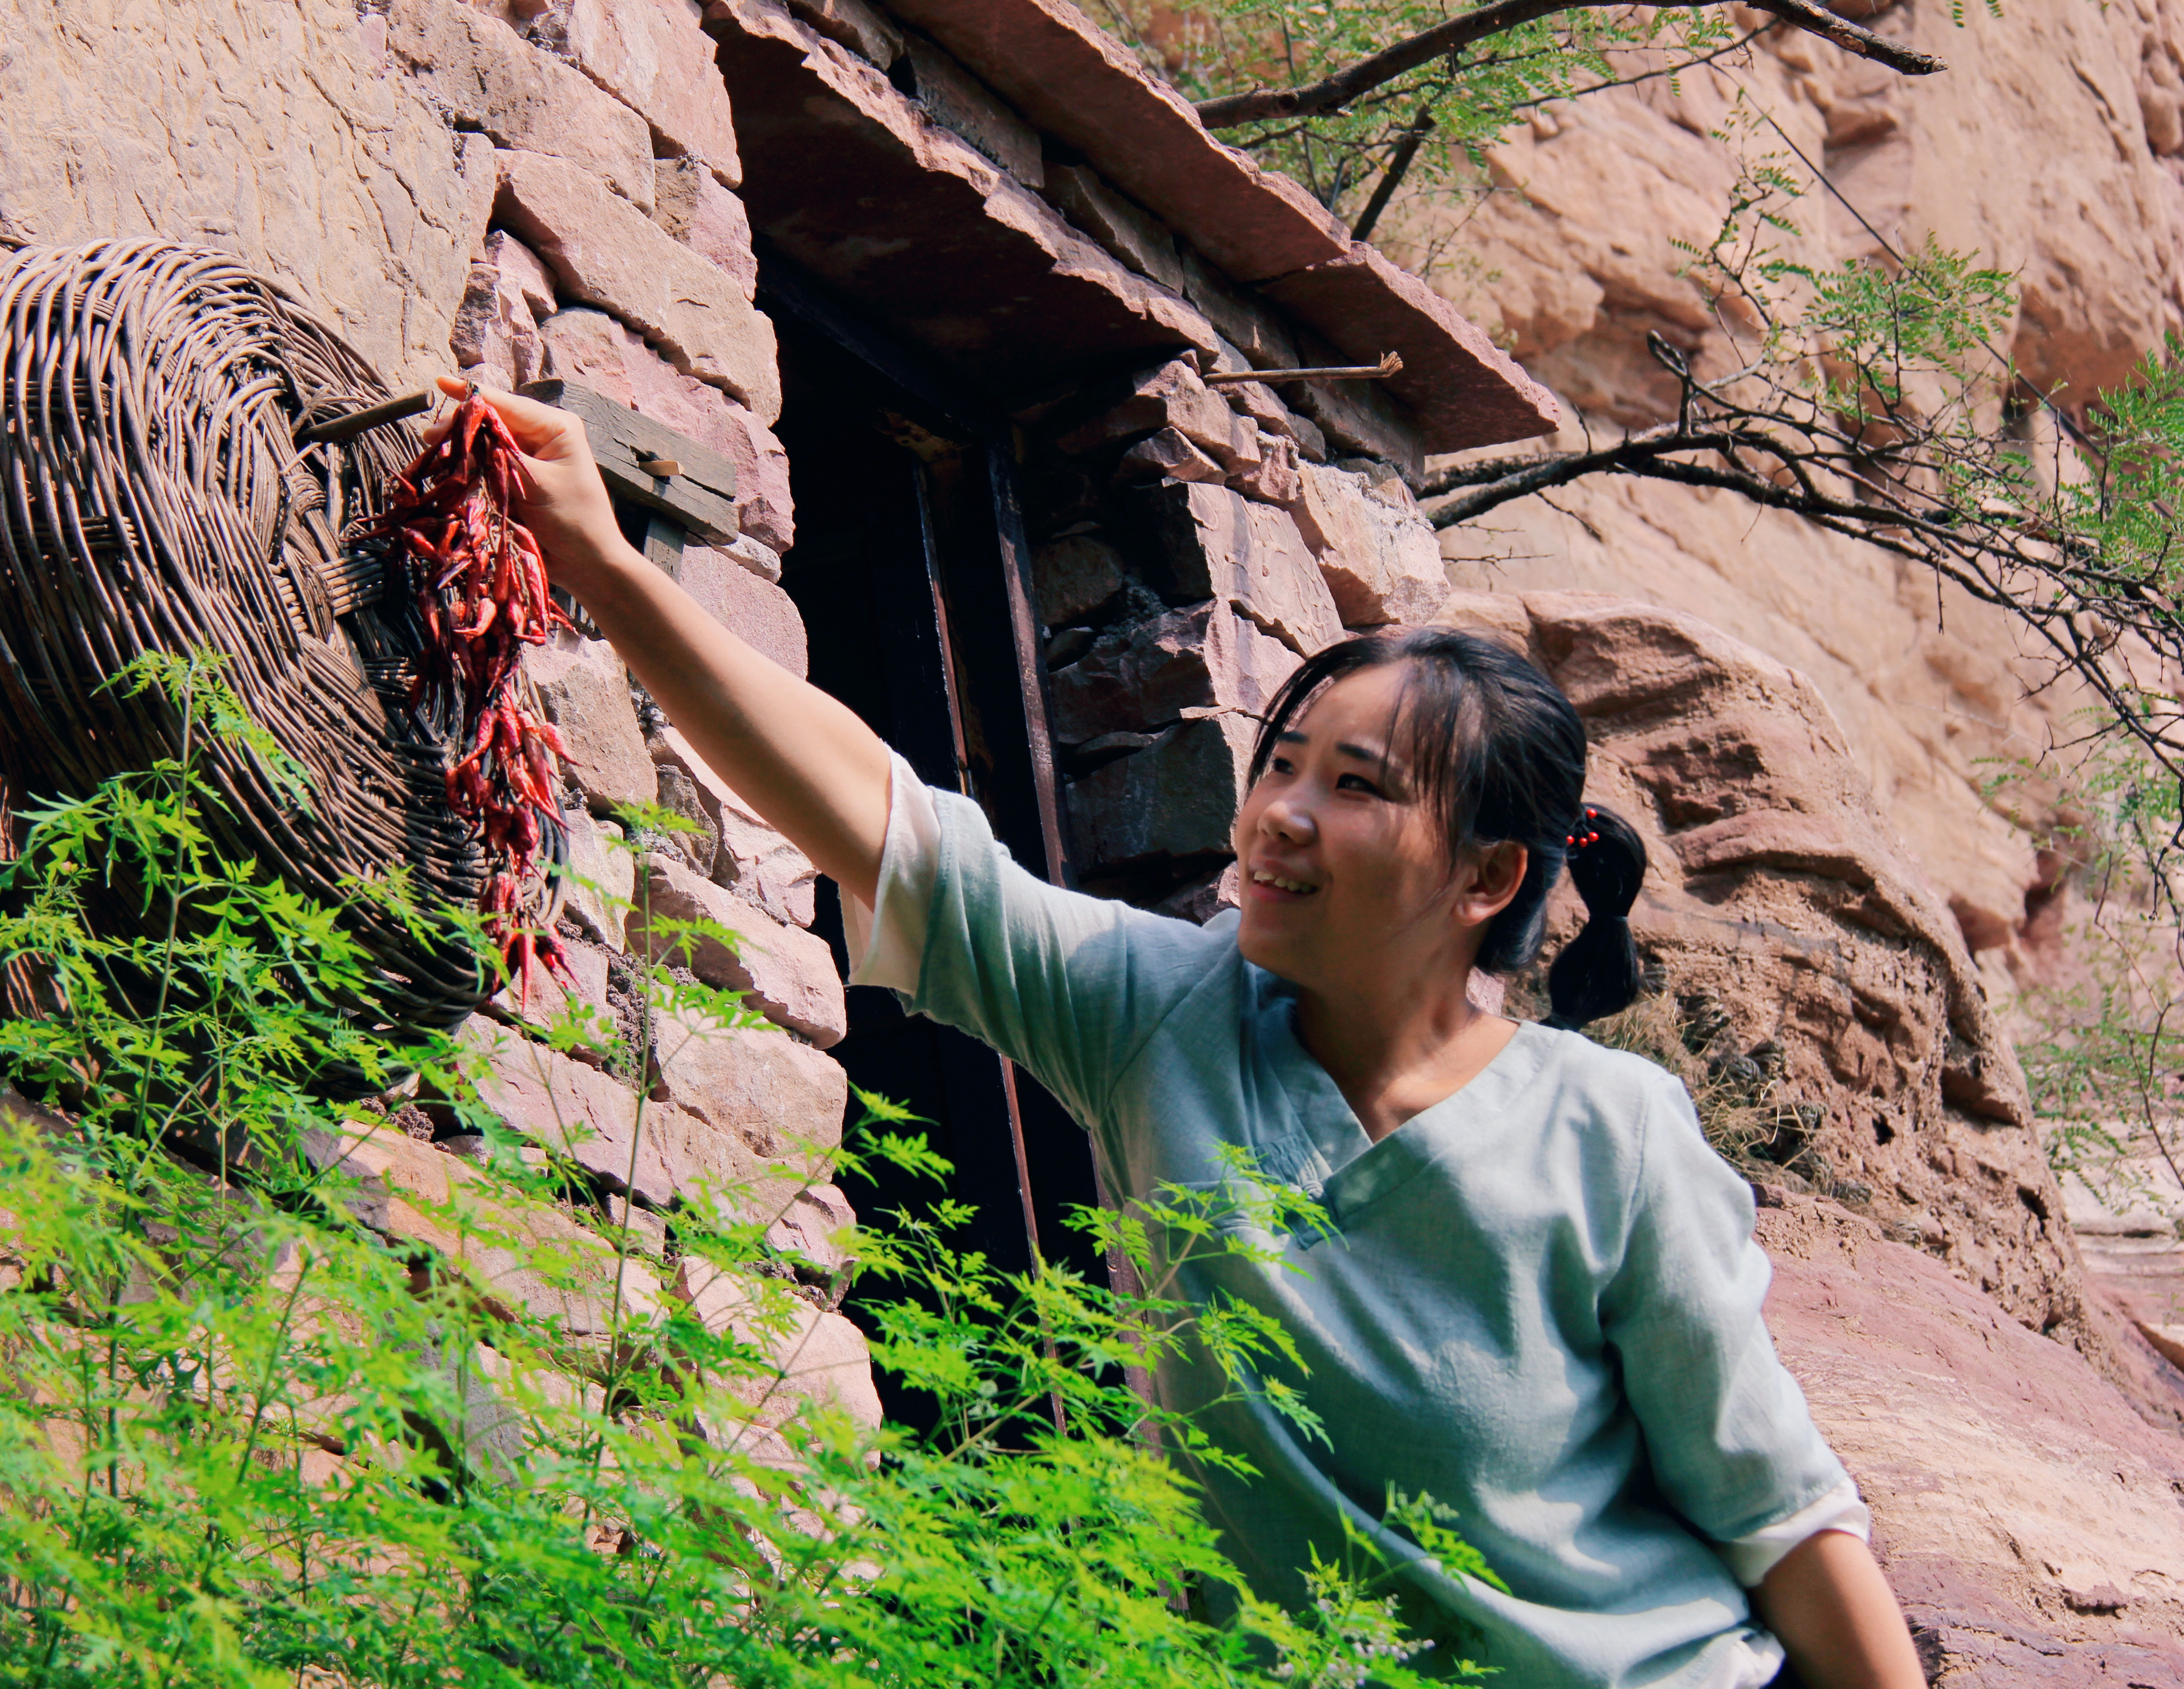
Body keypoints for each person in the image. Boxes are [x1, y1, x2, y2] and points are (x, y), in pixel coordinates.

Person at [444, 378, 1927, 1689]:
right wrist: (605, 564)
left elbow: (1779, 1516)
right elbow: (892, 825)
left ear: (1488, 878)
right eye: (1280, 763)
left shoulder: (1612, 1134)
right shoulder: (1161, 1016)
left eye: (1357, 785)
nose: (1280, 813)